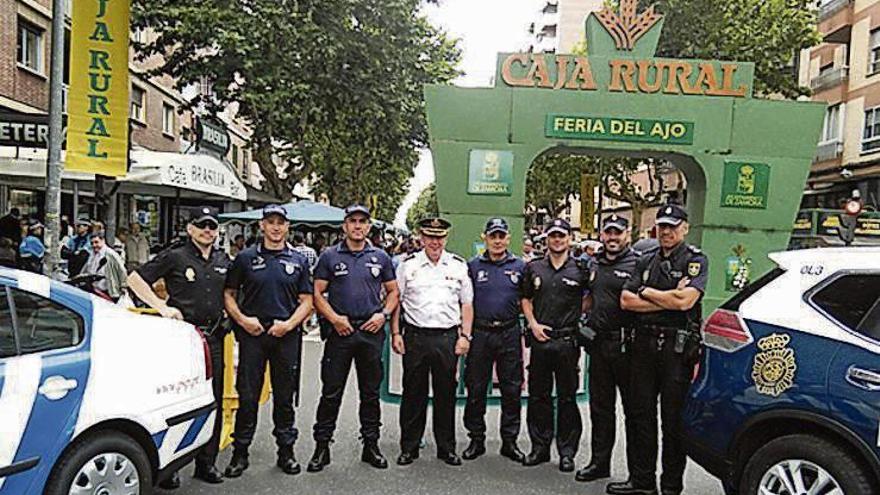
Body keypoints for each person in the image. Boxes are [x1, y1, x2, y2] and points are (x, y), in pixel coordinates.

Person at [127, 207, 231, 487]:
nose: (207, 231)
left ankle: (206, 463)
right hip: (183, 338)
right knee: (177, 402)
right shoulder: (175, 256)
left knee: (213, 399)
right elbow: (135, 280)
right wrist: (160, 306)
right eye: (201, 225)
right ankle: (170, 466)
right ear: (190, 229)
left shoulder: (223, 259)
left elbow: (234, 293)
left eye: (212, 226)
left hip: (214, 338)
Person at [615, 204, 708, 495]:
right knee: (640, 416)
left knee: (672, 422)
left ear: (685, 228)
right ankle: (642, 481)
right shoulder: (646, 260)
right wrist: (668, 295)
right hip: (643, 345)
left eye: (672, 226)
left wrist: (648, 291)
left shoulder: (695, 260)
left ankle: (670, 486)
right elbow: (626, 301)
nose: (666, 231)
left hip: (675, 349)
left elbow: (685, 303)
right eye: (662, 226)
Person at [223, 204, 314, 478]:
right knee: (248, 397)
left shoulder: (299, 260)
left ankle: (286, 451)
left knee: (285, 398)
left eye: (281, 223)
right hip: (253, 336)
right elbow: (229, 294)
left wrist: (288, 324)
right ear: (262, 225)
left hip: (286, 337)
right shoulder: (245, 258)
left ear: (288, 227)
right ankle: (240, 453)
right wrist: (242, 320)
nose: (276, 227)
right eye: (270, 222)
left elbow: (307, 300)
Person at [307, 205, 399, 472]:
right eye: (352, 221)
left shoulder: (381, 257)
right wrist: (334, 318)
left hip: (370, 332)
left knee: (370, 394)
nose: (357, 226)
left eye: (362, 222)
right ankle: (322, 447)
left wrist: (383, 315)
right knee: (331, 392)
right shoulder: (329, 256)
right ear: (344, 226)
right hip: (340, 332)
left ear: (369, 227)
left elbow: (393, 292)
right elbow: (317, 293)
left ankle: (371, 445)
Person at [392, 217, 473, 467]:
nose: (435, 242)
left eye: (439, 237)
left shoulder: (458, 266)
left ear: (445, 239)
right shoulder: (408, 265)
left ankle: (446, 448)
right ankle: (409, 447)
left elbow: (467, 304)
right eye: (430, 237)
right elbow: (397, 300)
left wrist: (465, 336)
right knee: (413, 394)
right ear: (421, 238)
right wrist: (396, 333)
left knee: (445, 395)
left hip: (447, 337)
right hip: (415, 336)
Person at [576, 215, 640, 484]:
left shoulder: (639, 263)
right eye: (608, 232)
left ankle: (638, 474)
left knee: (634, 412)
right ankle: (599, 463)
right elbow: (589, 297)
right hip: (599, 345)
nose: (612, 237)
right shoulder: (594, 263)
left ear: (627, 234)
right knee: (601, 409)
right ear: (602, 234)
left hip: (628, 348)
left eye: (618, 232)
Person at [520, 218, 587, 472]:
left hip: (568, 341)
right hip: (540, 340)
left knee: (568, 398)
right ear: (546, 239)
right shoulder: (534, 267)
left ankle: (567, 452)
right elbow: (525, 298)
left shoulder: (580, 268)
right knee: (539, 396)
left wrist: (575, 316)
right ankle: (539, 447)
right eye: (553, 236)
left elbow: (589, 297)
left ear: (569, 238)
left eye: (562, 236)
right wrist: (533, 323)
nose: (557, 240)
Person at [462, 217, 526, 463]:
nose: (497, 241)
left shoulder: (520, 266)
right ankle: (476, 439)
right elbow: (464, 301)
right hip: (480, 333)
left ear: (508, 238)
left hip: (509, 333)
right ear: (484, 238)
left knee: (512, 389)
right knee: (476, 388)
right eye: (493, 236)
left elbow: (527, 300)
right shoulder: (472, 266)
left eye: (501, 236)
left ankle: (509, 441)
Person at [83, 231, 126, 301]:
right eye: (92, 243)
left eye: (96, 242)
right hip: (94, 290)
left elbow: (121, 270)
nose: (94, 245)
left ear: (103, 241)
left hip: (107, 292)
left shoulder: (111, 254)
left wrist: (123, 287)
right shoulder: (92, 255)